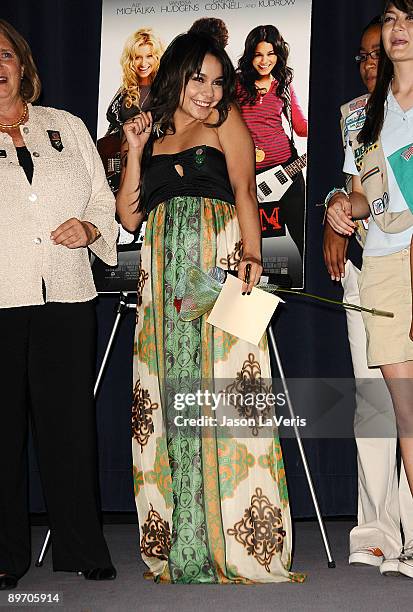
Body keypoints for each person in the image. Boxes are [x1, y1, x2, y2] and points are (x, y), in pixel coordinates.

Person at [117, 32, 305, 584]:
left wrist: (251, 256)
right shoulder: (151, 133)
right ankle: (182, 546)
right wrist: (132, 148)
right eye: (199, 77)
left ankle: (243, 550)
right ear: (175, 73)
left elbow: (246, 192)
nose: (209, 90)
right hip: (160, 291)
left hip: (220, 275)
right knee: (165, 402)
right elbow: (130, 219)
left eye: (219, 80)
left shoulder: (226, 121)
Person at [0, 20, 119, 590]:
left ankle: (81, 545)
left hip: (68, 296)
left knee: (70, 427)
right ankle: (6, 555)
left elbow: (102, 196)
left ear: (23, 65)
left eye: (3, 55)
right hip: (2, 298)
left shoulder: (66, 127)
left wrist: (92, 224)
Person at [326, 1, 413, 579]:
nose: (398, 30)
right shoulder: (362, 116)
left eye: (409, 19)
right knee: (404, 415)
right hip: (382, 265)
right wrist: (341, 207)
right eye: (392, 20)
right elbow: (366, 196)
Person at [236, 24, 307, 280]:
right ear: (249, 55)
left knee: (302, 237)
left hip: (287, 173)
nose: (265, 61)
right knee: (257, 247)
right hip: (250, 180)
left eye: (270, 54)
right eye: (258, 54)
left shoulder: (284, 84)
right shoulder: (237, 85)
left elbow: (300, 126)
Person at [98, 28, 163, 193]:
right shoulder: (125, 90)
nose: (143, 63)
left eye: (149, 56)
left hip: (154, 163)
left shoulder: (167, 90)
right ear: (130, 60)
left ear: (157, 57)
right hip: (121, 163)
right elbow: (112, 128)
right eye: (137, 57)